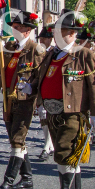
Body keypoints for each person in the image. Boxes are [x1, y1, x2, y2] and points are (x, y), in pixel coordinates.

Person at [28, 12, 95, 189]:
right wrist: (32, 88)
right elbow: (42, 76)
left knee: (63, 153)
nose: (56, 35)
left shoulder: (84, 55)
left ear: (72, 33)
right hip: (51, 111)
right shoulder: (52, 54)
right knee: (71, 156)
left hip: (73, 112)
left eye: (60, 32)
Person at [0, 11, 47, 189]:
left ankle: (8, 182)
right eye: (14, 27)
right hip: (8, 100)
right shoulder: (10, 47)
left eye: (19, 27)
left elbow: (41, 77)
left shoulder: (36, 50)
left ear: (28, 30)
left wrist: (34, 90)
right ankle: (27, 177)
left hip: (25, 101)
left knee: (17, 140)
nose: (15, 30)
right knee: (16, 139)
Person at [35, 26, 57, 162]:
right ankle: (48, 144)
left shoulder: (54, 52)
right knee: (43, 117)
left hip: (51, 88)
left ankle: (47, 146)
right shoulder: (38, 52)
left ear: (50, 39)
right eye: (40, 38)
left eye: (44, 38)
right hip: (39, 88)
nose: (41, 40)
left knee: (50, 118)